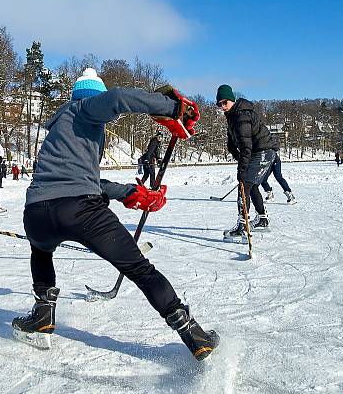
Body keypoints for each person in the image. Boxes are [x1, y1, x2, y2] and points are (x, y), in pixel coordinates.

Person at [12, 67, 218, 361]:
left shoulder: (60, 129)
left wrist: (130, 193)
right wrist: (173, 108)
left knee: (41, 252)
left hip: (36, 214)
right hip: (80, 211)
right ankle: (193, 334)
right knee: (140, 269)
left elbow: (89, 180)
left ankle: (42, 316)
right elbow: (119, 98)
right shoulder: (85, 108)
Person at [216, 84, 277, 240]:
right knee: (252, 185)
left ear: (232, 100)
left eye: (225, 102)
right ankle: (262, 219)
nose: (222, 107)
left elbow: (245, 146)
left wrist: (241, 169)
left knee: (244, 185)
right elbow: (234, 142)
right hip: (260, 152)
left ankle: (243, 225)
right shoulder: (232, 116)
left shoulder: (241, 115)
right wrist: (232, 149)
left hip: (263, 151)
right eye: (219, 104)